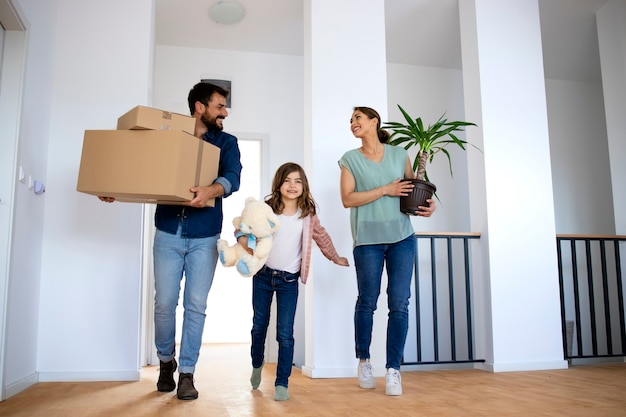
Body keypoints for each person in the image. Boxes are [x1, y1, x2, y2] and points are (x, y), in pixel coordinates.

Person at [100, 82, 242, 400]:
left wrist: (211, 189)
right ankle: (166, 362)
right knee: (164, 304)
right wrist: (114, 186)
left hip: (205, 236)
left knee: (196, 306)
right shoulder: (168, 138)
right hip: (167, 232)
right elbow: (140, 168)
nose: (225, 112)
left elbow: (233, 177)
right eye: (220, 106)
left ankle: (188, 372)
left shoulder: (226, 142)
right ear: (200, 107)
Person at [338, 106, 436, 396]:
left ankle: (393, 369)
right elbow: (347, 198)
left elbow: (414, 189)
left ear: (374, 121)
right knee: (367, 301)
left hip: (402, 237)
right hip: (367, 240)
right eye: (351, 119)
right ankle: (365, 361)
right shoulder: (349, 160)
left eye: (358, 117)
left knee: (400, 303)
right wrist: (385, 190)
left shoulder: (399, 154)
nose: (353, 122)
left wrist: (428, 206)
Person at [239, 162, 349, 401]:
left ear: (304, 186)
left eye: (298, 181)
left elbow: (321, 237)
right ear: (279, 184)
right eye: (287, 180)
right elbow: (244, 225)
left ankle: (282, 382)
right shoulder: (266, 208)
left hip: (288, 281)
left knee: (285, 333)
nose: (292, 185)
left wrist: (335, 257)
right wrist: (242, 241)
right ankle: (256, 364)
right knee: (259, 326)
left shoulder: (307, 214)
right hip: (263, 276)